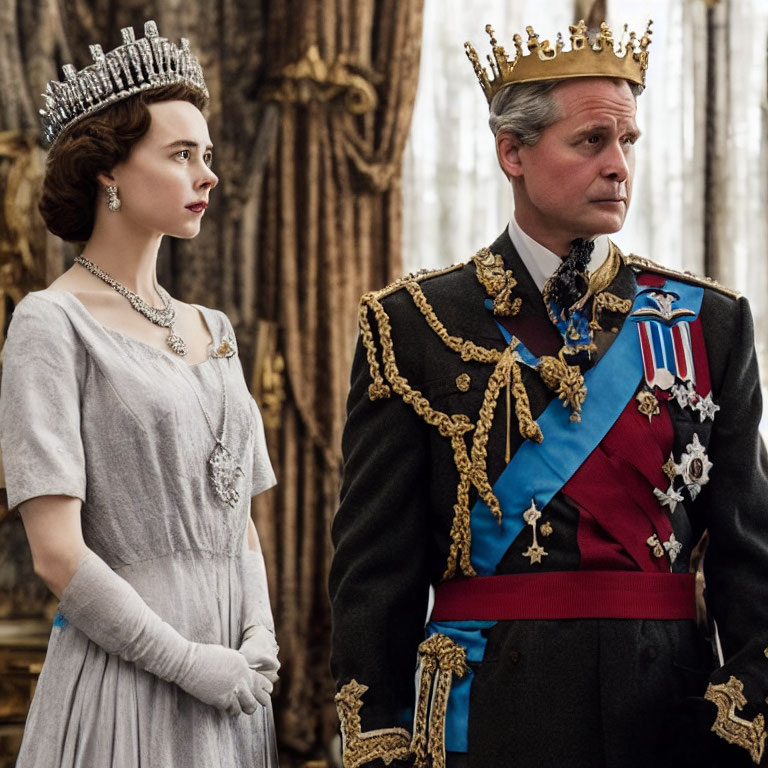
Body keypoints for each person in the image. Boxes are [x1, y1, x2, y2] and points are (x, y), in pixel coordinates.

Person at [329, 19, 768, 768]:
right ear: (513, 152)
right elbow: (374, 573)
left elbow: (750, 559)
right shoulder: (413, 324)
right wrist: (380, 738)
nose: (619, 167)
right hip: (488, 715)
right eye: (591, 141)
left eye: (628, 142)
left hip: (666, 717)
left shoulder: (708, 321)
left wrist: (743, 712)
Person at [0, 20, 280, 768]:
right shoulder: (50, 323)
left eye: (209, 155)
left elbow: (240, 525)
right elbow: (57, 555)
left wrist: (259, 634)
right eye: (181, 154)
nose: (208, 175)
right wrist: (187, 664)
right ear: (109, 173)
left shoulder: (214, 329)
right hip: (131, 679)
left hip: (234, 679)